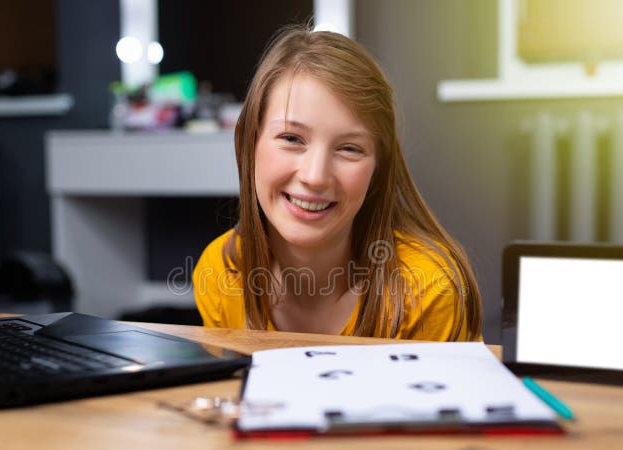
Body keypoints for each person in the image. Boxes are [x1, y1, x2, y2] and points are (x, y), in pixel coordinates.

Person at [193, 24, 482, 341]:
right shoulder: (221, 272)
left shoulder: (427, 288)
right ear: (249, 143)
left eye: (349, 149)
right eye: (291, 138)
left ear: (377, 169)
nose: (315, 176)